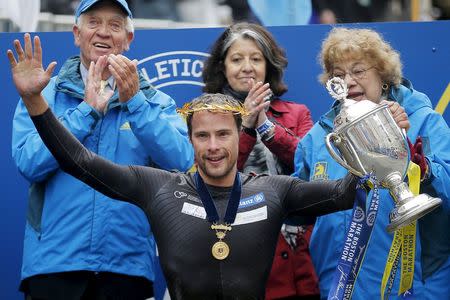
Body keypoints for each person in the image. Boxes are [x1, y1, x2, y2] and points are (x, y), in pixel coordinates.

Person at [7, 32, 362, 298]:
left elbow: (344, 193)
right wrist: (35, 101)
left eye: (223, 134)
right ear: (189, 140)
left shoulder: (273, 190)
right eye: (202, 136)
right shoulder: (159, 186)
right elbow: (79, 160)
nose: (213, 147)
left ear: (241, 135)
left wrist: (379, 143)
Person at [10, 0, 194, 298]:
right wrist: (87, 112)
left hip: (126, 268)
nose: (104, 33)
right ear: (76, 34)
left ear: (129, 39)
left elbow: (181, 161)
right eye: (93, 22)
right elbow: (29, 163)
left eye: (115, 25)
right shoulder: (43, 94)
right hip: (54, 266)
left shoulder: (154, 101)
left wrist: (135, 103)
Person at [293, 27, 450, 299]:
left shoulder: (423, 121)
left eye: (359, 70)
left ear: (383, 74)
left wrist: (422, 166)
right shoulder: (318, 139)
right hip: (337, 286)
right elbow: (300, 210)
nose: (349, 81)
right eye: (339, 75)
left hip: (413, 288)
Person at [202, 22, 318, 299]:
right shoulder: (206, 114)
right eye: (237, 59)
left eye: (256, 59)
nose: (247, 67)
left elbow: (309, 165)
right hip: (228, 248)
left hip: (292, 252)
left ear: (269, 66)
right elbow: (211, 173)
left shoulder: (298, 113)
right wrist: (246, 125)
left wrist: (264, 124)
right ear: (222, 67)